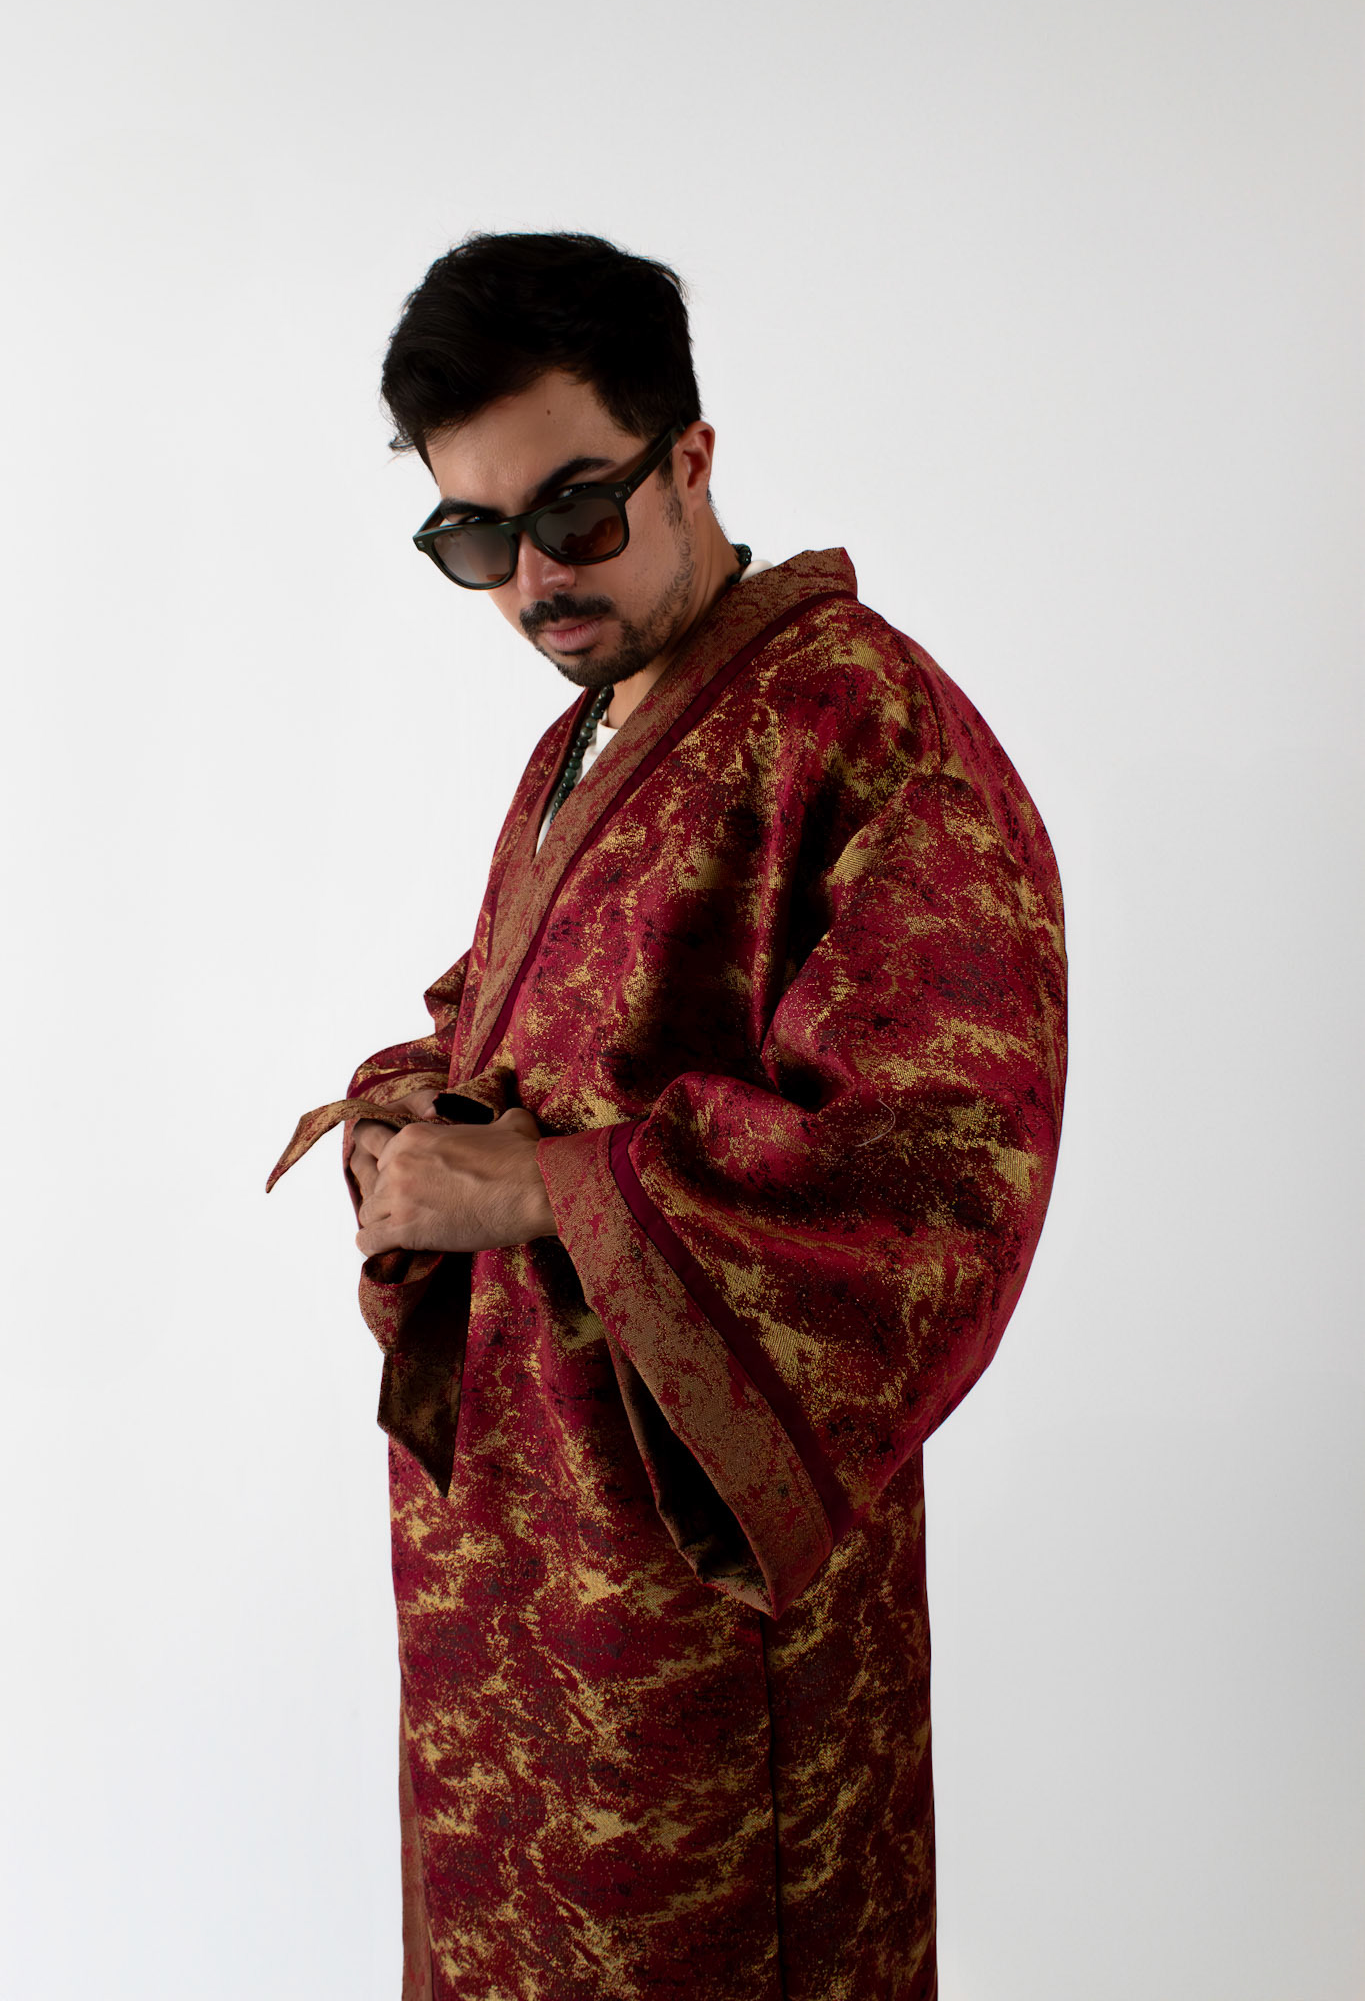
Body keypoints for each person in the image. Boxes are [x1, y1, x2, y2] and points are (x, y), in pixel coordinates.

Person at [269, 231, 1067, 2001]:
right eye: (475, 537)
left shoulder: (860, 724)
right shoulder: (598, 722)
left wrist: (536, 1189)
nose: (533, 579)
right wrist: (413, 1121)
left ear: (688, 457)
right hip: (516, 1563)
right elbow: (526, 1019)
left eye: (574, 510)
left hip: (699, 1603)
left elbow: (937, 1164)